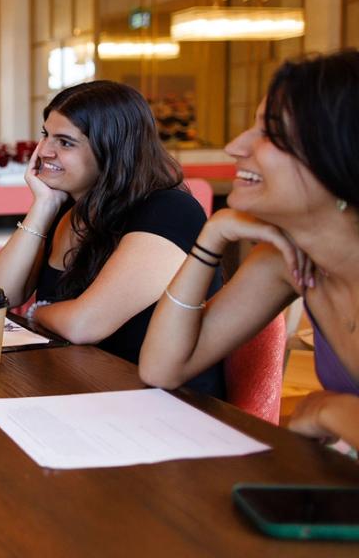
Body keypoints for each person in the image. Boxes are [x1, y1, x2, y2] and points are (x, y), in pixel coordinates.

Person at [140, 51, 359, 449]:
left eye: (270, 133)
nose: (235, 146)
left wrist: (332, 410)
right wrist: (211, 236)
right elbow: (161, 368)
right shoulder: (285, 257)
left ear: (341, 154)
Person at [0, 80, 225, 397]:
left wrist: (35, 312)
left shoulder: (168, 211)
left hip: (163, 403)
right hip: (83, 384)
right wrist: (43, 207)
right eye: (46, 134)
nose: (44, 151)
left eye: (65, 142)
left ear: (112, 150)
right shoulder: (69, 206)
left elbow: (84, 325)